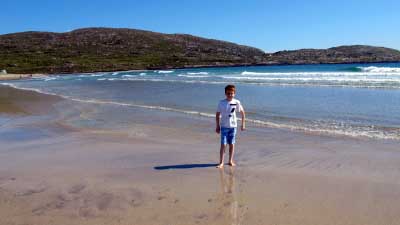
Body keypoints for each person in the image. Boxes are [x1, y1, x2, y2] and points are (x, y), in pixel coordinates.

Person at [216, 84, 245, 168]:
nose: (230, 95)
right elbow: (217, 114)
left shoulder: (237, 102)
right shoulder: (221, 103)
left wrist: (243, 123)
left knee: (232, 144)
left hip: (233, 127)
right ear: (225, 93)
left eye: (231, 93)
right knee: (223, 144)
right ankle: (221, 162)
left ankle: (230, 161)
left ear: (234, 93)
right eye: (228, 93)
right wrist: (217, 126)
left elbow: (243, 112)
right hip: (224, 127)